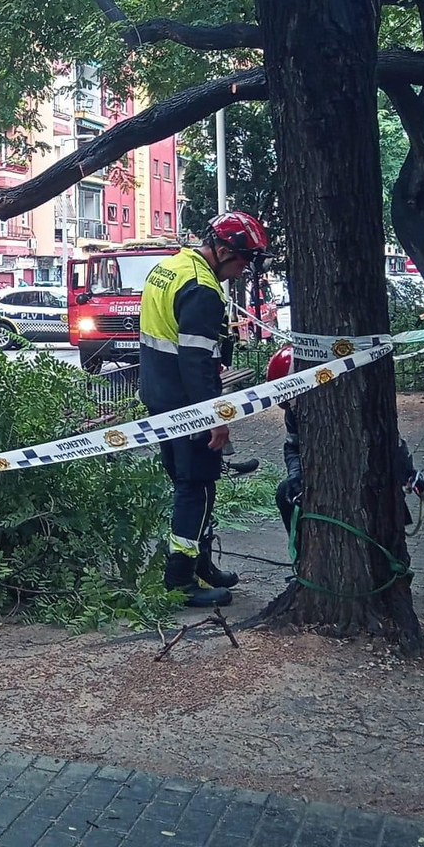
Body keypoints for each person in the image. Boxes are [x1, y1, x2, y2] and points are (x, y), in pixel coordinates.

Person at [139, 210, 270, 608]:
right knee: (194, 488)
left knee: (196, 484)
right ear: (225, 250)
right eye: (244, 259)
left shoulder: (171, 267)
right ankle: (180, 579)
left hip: (160, 396)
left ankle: (201, 564)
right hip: (186, 405)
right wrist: (215, 418)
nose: (245, 269)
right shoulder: (202, 289)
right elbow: (195, 363)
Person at [264, 346, 424, 535]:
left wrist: (408, 473)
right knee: (284, 493)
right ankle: (301, 548)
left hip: (366, 480)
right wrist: (295, 477)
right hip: (320, 479)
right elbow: (292, 446)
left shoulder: (356, 405)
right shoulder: (294, 412)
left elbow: (391, 444)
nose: (294, 409)